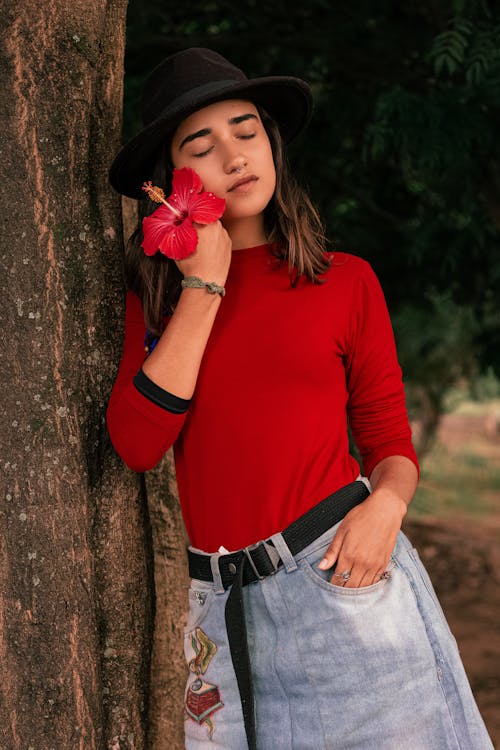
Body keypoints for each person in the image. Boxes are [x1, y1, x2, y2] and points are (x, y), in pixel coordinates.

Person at [107, 48, 493, 750]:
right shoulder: (155, 296)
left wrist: (386, 507)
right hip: (212, 618)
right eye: (202, 143)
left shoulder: (346, 282)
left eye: (246, 130)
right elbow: (137, 444)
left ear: (272, 145)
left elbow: (390, 445)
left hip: (339, 581)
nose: (232, 153)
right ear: (171, 184)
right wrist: (204, 283)